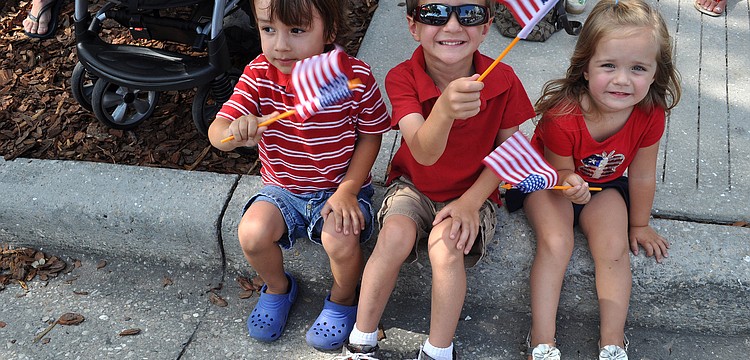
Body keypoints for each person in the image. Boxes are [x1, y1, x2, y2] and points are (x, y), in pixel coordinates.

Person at [339, 1, 536, 359]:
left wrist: (471, 202)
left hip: (473, 192)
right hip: (414, 184)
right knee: (394, 235)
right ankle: (361, 339)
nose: (452, 26)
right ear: (413, 26)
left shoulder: (503, 79)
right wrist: (444, 109)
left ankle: (438, 350)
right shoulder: (402, 77)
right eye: (434, 13)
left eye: (470, 14)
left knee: (446, 250)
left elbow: (511, 153)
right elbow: (423, 151)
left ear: (487, 26)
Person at [207, 0, 390, 351]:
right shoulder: (258, 74)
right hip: (283, 190)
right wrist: (233, 134)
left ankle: (342, 299)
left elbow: (371, 135)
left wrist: (349, 189)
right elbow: (218, 131)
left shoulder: (354, 76)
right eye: (268, 29)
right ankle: (278, 288)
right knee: (252, 233)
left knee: (341, 238)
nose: (281, 45)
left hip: (340, 188)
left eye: (297, 30)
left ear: (330, 31)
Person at [510, 0, 682, 359]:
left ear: (655, 73)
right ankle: (541, 341)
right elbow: (560, 172)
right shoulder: (563, 115)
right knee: (557, 243)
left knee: (614, 249)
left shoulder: (650, 113)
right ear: (585, 67)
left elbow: (643, 172)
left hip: (604, 184)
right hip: (550, 180)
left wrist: (640, 223)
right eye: (608, 65)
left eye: (638, 68)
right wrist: (570, 184)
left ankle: (613, 343)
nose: (622, 79)